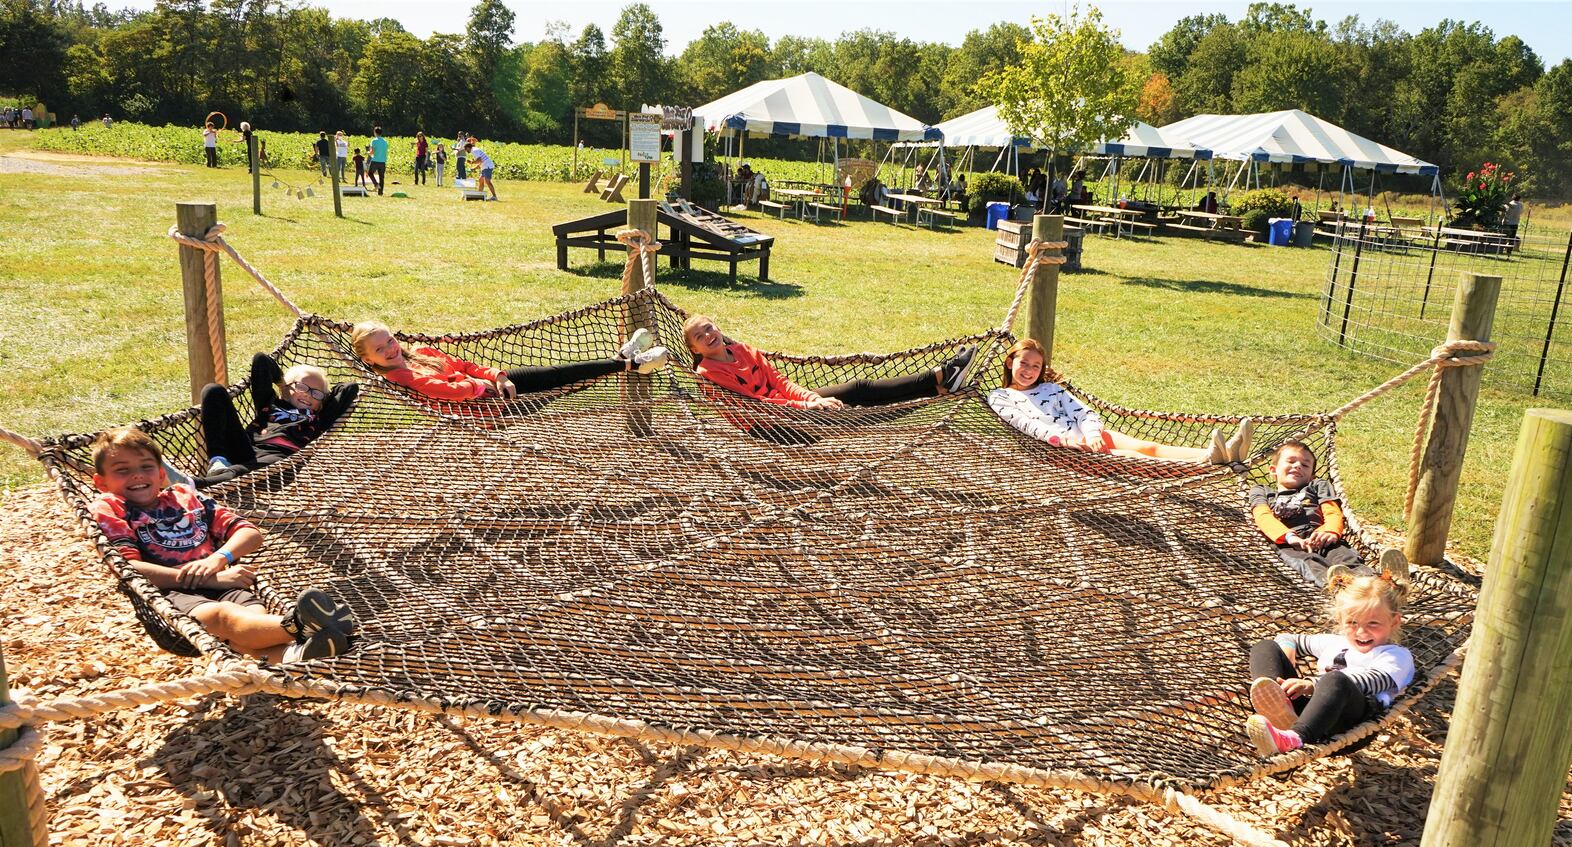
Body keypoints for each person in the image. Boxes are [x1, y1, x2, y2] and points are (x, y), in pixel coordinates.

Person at [90, 427, 356, 663]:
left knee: (251, 627)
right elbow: (128, 567)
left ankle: (296, 656)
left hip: (223, 579)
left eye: (146, 467)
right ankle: (302, 625)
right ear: (101, 482)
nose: (137, 476)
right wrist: (213, 579)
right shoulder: (112, 507)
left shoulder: (184, 497)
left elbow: (250, 533)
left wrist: (219, 559)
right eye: (122, 470)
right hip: (169, 595)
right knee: (224, 617)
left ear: (161, 475)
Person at [986, 338, 1248, 465]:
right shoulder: (1000, 396)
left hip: (1092, 436)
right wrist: (1061, 439)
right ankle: (1208, 462)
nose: (1029, 370)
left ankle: (1219, 456)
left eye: (1035, 365)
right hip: (1067, 449)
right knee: (1133, 457)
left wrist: (1092, 432)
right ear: (1010, 362)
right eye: (1023, 363)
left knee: (1149, 446)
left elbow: (1083, 412)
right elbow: (1023, 423)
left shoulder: (1051, 388)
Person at [1243, 571, 1413, 756]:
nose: (1361, 632)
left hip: (1350, 725)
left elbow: (1372, 680)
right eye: (1352, 623)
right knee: (1265, 646)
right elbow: (1289, 638)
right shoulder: (1336, 643)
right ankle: (1275, 700)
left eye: (1373, 623)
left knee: (1336, 680)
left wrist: (1313, 684)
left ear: (1394, 622)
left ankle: (1294, 739)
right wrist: (1287, 656)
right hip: (1309, 710)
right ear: (1340, 620)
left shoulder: (1397, 656)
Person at [684, 315, 975, 412]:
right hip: (771, 426)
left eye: (709, 327)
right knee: (856, 410)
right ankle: (941, 377)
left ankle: (939, 384)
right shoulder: (708, 373)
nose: (708, 335)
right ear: (694, 348)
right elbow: (756, 405)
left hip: (792, 409)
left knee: (858, 391)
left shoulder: (742, 349)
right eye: (699, 336)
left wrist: (811, 398)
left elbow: (780, 381)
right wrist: (808, 407)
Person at [350, 321, 667, 402]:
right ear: (369, 359)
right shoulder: (399, 377)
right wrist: (477, 385)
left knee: (560, 375)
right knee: (565, 384)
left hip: (500, 388)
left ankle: (628, 362)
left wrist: (497, 375)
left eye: (389, 340)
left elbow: (466, 365)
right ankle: (628, 362)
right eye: (380, 350)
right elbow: (444, 391)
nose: (390, 349)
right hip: (491, 406)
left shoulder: (419, 353)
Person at [196, 353, 359, 485]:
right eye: (301, 387)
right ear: (287, 389)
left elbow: (350, 388)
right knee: (213, 390)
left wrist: (323, 401)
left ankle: (200, 484)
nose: (307, 394)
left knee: (246, 470)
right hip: (245, 448)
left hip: (281, 464)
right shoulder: (270, 403)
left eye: (315, 393)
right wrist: (282, 384)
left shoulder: (318, 419)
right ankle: (218, 461)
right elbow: (261, 360)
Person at [1250, 440, 1395, 587]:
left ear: (1311, 475)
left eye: (1305, 465)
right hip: (1289, 543)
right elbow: (1263, 517)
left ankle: (1383, 584)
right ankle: (1337, 588)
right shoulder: (1262, 491)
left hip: (1322, 536)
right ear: (1273, 470)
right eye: (1291, 461)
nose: (1298, 465)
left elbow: (1332, 511)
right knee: (1308, 563)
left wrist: (1330, 531)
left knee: (1346, 558)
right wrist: (1289, 537)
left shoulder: (1317, 485)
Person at [368, 126, 388, 194]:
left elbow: (372, 152)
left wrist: (368, 152)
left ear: (375, 132)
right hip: (383, 161)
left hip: (375, 160)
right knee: (381, 177)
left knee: (370, 173)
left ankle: (376, 185)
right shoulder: (385, 141)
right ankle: (380, 192)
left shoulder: (374, 140)